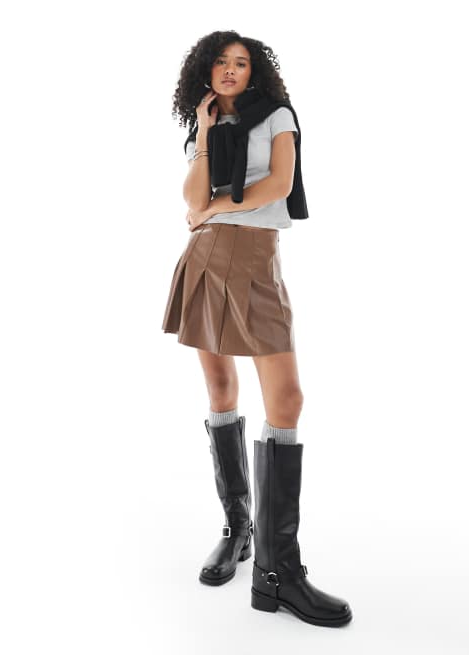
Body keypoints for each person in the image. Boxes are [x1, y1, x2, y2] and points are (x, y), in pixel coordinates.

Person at [162, 30, 353, 628]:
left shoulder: (276, 116)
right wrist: (203, 135)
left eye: (241, 63)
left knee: (286, 399)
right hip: (205, 258)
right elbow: (191, 196)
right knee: (221, 391)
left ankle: (277, 570)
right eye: (220, 62)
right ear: (205, 71)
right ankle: (238, 528)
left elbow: (278, 185)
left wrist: (218, 206)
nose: (230, 70)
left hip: (254, 258)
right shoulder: (206, 127)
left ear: (255, 73)